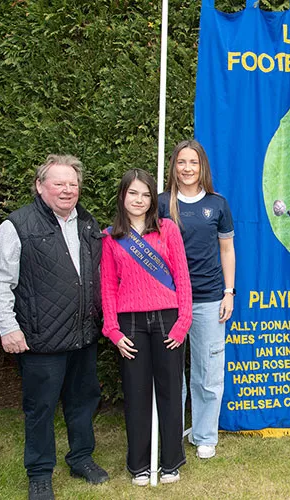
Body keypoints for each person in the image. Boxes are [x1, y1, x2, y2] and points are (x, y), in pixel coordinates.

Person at [0, 154, 109, 500]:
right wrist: (7, 327)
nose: (67, 190)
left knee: (84, 400)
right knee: (40, 408)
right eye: (59, 183)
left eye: (73, 184)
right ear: (40, 187)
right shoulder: (17, 226)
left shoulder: (87, 223)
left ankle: (81, 457)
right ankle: (39, 473)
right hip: (40, 339)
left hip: (83, 335)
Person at [101, 169, 192, 486]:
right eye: (132, 193)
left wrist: (183, 322)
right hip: (132, 324)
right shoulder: (112, 236)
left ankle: (170, 461)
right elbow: (108, 287)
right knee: (137, 394)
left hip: (168, 320)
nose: (139, 200)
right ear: (122, 196)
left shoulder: (167, 229)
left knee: (170, 391)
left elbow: (182, 278)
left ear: (153, 199)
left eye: (145, 194)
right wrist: (113, 330)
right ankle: (139, 464)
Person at [158, 140, 236, 460]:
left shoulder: (217, 205)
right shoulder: (162, 203)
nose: (187, 168)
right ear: (173, 167)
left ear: (202, 166)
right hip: (169, 300)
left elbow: (227, 250)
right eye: (181, 162)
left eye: (193, 162)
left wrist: (228, 292)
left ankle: (205, 435)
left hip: (208, 299)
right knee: (169, 372)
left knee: (208, 372)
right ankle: (171, 434)